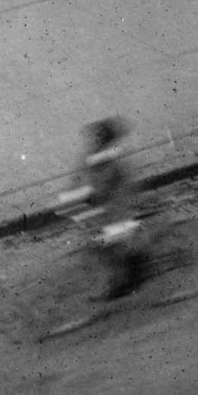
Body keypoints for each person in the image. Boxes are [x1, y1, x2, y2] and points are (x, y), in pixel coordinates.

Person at [59, 117, 149, 301]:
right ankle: (132, 265)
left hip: (117, 209)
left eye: (98, 138)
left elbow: (103, 187)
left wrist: (84, 196)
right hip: (107, 210)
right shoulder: (94, 156)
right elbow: (80, 178)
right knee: (104, 242)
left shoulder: (113, 160)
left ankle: (126, 277)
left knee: (104, 244)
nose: (94, 142)